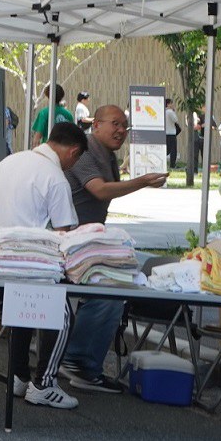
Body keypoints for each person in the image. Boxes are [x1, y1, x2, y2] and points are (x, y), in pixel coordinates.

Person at [0, 121, 88, 409]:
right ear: (73, 152)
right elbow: (65, 231)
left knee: (22, 311)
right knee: (62, 315)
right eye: (76, 160)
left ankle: (18, 376)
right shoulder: (55, 177)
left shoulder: (10, 161)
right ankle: (44, 384)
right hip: (31, 262)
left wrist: (11, 217)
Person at [59, 104, 167, 393]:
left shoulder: (107, 154)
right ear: (96, 125)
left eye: (124, 126)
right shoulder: (83, 151)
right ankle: (78, 361)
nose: (121, 130)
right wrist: (142, 181)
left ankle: (76, 357)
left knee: (117, 283)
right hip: (69, 242)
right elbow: (100, 189)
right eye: (115, 124)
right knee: (111, 289)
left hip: (89, 242)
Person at [162, 97, 180, 167]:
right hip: (171, 133)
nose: (172, 104)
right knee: (173, 150)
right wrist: (174, 111)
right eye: (171, 103)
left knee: (167, 149)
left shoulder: (163, 112)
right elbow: (175, 120)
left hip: (165, 133)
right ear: (168, 104)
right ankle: (173, 164)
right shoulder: (170, 112)